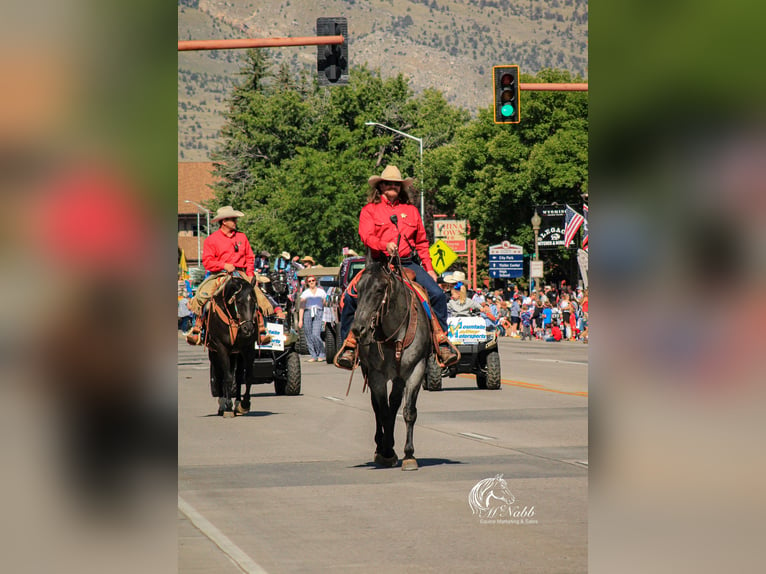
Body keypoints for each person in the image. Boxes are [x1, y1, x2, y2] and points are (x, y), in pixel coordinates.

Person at [334, 165, 459, 370]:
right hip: (379, 265)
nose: (392, 186)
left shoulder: (410, 211)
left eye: (396, 184)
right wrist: (384, 245)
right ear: (380, 186)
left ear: (401, 188)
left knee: (436, 294)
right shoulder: (369, 210)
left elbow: (421, 243)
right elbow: (366, 236)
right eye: (388, 183)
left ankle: (441, 342)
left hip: (408, 263)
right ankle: (350, 346)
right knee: (350, 297)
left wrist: (429, 268)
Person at [186, 206, 272, 346]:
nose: (235, 221)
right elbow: (208, 261)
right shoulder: (212, 240)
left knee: (258, 297)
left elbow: (250, 257)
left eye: (235, 219)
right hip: (220, 275)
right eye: (233, 219)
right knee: (203, 297)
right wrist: (224, 265)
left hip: (241, 274)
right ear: (224, 221)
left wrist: (250, 275)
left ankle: (262, 331)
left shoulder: (241, 237)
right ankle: (197, 329)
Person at [298, 275, 326, 362]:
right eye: (309, 281)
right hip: (308, 312)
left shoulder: (321, 292)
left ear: (316, 281)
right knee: (308, 335)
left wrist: (325, 317)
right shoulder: (305, 293)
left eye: (313, 280)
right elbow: (302, 307)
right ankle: (313, 355)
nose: (311, 282)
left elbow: (325, 305)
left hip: (318, 311)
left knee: (316, 334)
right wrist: (300, 320)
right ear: (307, 283)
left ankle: (321, 353)